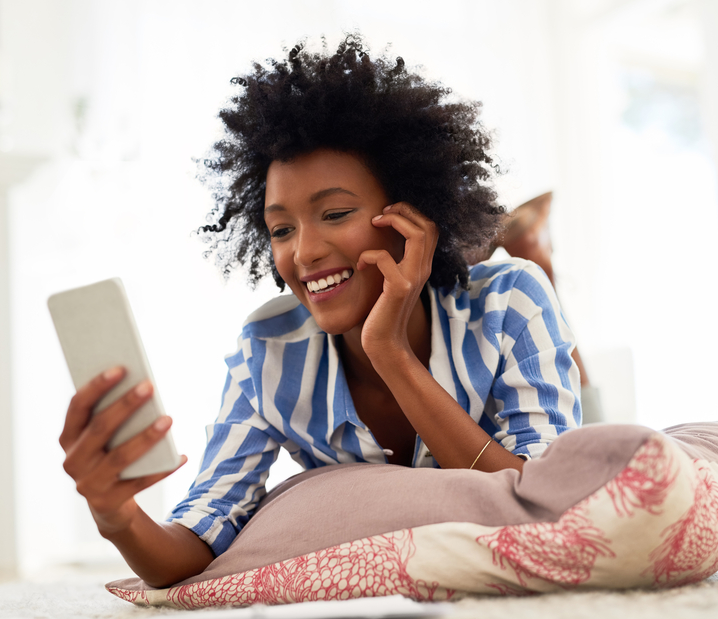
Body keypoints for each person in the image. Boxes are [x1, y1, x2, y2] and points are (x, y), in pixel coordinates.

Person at [58, 37, 582, 589]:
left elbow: (544, 505)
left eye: (334, 213)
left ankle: (530, 241)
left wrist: (392, 355)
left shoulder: (511, 299)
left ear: (413, 216)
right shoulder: (269, 349)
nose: (302, 253)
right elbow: (195, 544)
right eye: (281, 229)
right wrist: (115, 515)